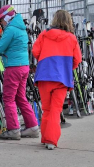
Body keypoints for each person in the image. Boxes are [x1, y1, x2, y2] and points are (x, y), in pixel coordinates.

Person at [0, 5, 39, 140]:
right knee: (20, 97)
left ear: (8, 17)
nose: (1, 23)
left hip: (13, 67)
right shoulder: (21, 28)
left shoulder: (10, 30)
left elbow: (1, 46)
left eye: (1, 20)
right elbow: (9, 48)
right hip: (24, 66)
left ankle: (13, 129)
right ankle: (33, 127)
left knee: (8, 98)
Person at [32, 10, 82, 150]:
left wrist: (45, 59)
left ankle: (45, 137)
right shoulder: (72, 38)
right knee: (55, 109)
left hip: (44, 75)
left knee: (47, 109)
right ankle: (51, 140)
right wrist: (66, 67)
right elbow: (77, 59)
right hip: (61, 78)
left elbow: (35, 51)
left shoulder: (44, 34)